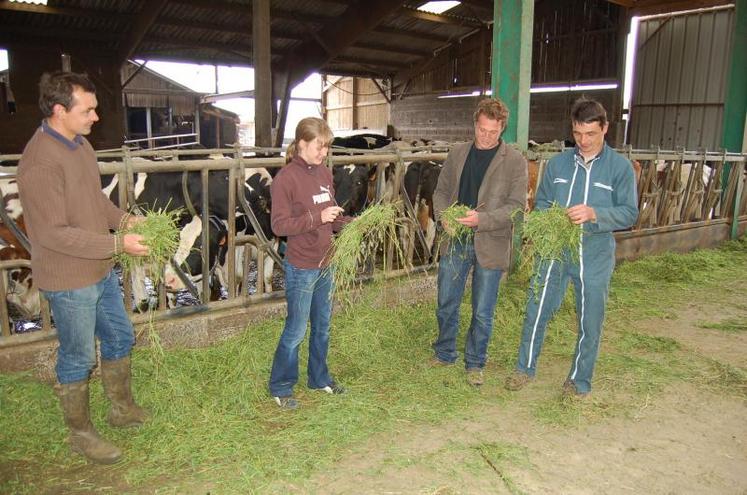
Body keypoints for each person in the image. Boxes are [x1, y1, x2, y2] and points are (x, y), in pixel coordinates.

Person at [17, 72, 150, 464]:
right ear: (60, 111)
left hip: (98, 267)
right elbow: (54, 233)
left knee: (121, 337)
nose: (96, 116)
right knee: (78, 356)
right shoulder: (40, 161)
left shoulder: (80, 146)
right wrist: (116, 243)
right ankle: (80, 433)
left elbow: (95, 202)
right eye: (88, 109)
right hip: (68, 276)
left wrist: (126, 221)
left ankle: (121, 409)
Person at [505, 98, 638, 397]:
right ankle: (524, 368)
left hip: (594, 255)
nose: (583, 141)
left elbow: (630, 214)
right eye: (578, 133)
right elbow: (540, 205)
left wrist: (595, 214)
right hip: (554, 251)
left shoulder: (620, 168)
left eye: (590, 134)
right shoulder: (557, 164)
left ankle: (579, 381)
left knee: (589, 318)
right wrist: (543, 222)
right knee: (536, 309)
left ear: (605, 128)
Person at [431, 98, 528, 386]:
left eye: (493, 132)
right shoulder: (458, 153)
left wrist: (482, 220)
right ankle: (445, 352)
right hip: (456, 238)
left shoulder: (514, 162)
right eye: (482, 130)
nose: (486, 137)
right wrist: (443, 217)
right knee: (447, 299)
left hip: (490, 241)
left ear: (502, 129)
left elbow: (516, 207)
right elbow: (441, 191)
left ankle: (475, 363)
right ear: (475, 124)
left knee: (483, 309)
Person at [268, 117, 351, 409]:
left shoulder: (324, 175)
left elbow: (333, 215)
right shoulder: (286, 179)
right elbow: (279, 226)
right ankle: (281, 385)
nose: (324, 152)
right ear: (302, 143)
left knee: (323, 326)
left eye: (327, 146)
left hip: (326, 263)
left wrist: (354, 224)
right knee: (296, 329)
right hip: (302, 266)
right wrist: (318, 218)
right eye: (320, 146)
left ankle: (319, 378)